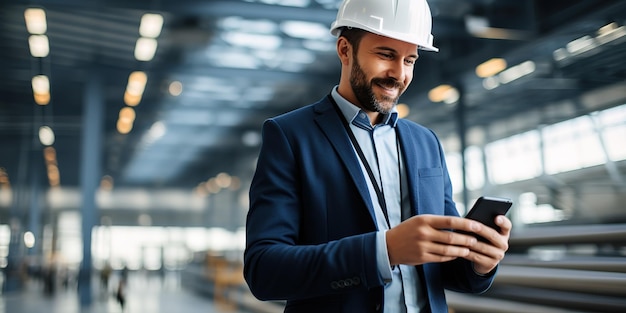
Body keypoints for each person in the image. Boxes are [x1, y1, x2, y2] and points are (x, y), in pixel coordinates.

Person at [243, 0, 512, 312]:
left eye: (410, 60)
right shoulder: (290, 136)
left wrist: (480, 262)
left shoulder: (426, 143)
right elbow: (264, 271)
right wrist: (383, 251)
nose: (398, 74)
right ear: (345, 50)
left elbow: (447, 269)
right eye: (386, 55)